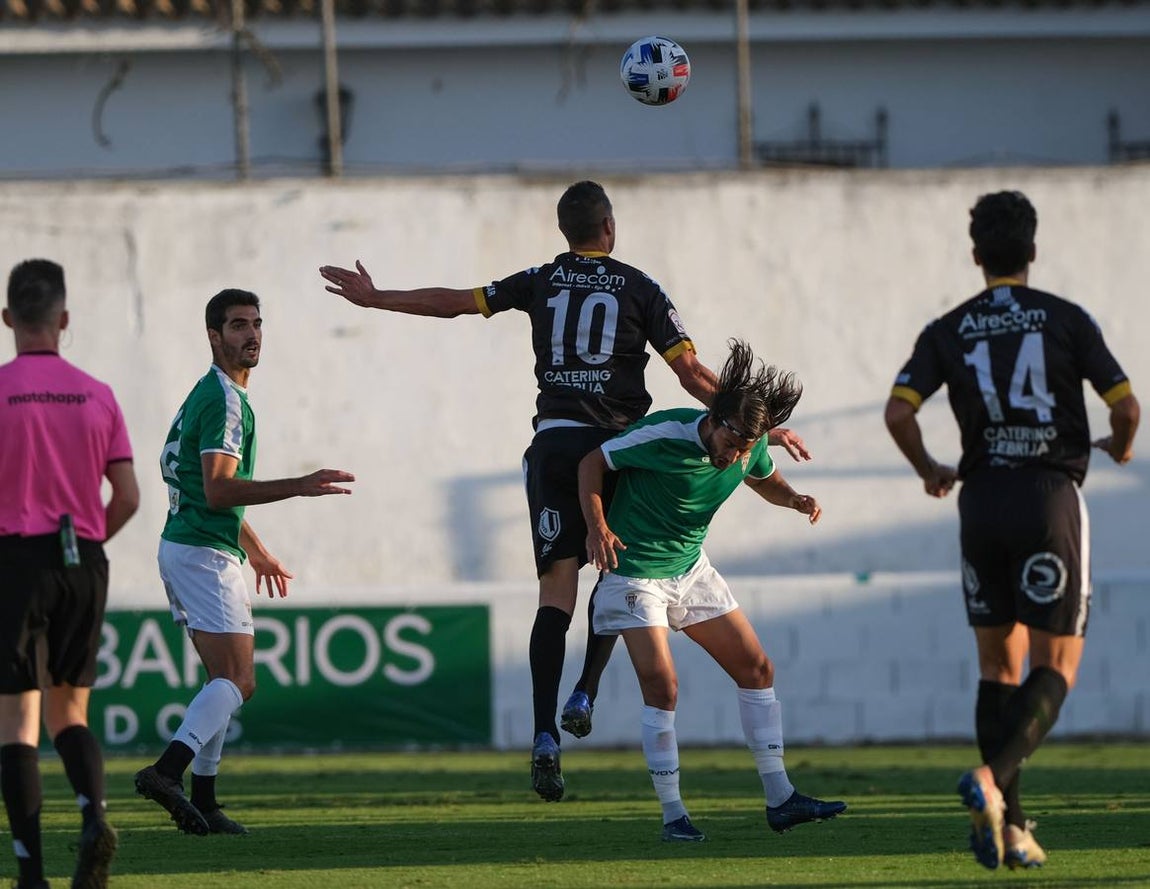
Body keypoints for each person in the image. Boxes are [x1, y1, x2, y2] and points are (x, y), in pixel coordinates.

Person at [320, 181, 811, 801]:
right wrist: (749, 420)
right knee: (628, 566)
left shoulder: (540, 279)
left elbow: (458, 303)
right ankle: (589, 688)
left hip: (556, 446)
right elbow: (689, 373)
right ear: (609, 227)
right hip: (620, 448)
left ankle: (545, 733)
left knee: (558, 587)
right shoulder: (640, 286)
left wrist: (377, 297)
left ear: (565, 232)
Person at [884, 191, 1139, 870]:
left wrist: (930, 469)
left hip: (982, 499)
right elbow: (1128, 406)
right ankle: (993, 779)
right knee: (1057, 665)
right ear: (1032, 251)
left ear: (976, 256)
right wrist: (1119, 443)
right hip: (1048, 498)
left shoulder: (950, 327)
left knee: (998, 666)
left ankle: (1015, 826)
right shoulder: (1066, 319)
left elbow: (899, 411)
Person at [579, 339, 846, 841]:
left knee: (757, 668)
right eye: (733, 443)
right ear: (715, 418)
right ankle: (673, 815)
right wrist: (596, 526)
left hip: (690, 569)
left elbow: (763, 479)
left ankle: (781, 798)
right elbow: (592, 462)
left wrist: (793, 499)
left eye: (747, 446)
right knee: (664, 687)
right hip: (635, 570)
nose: (737, 454)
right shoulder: (667, 434)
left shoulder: (751, 444)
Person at [134, 288, 355, 835]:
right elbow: (218, 490)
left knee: (221, 681)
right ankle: (167, 772)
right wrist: (299, 486)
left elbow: (200, 486)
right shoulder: (225, 399)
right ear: (214, 336)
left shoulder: (208, 395)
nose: (251, 334)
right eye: (237, 325)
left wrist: (256, 551)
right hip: (202, 551)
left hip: (192, 545)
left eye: (256, 323)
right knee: (240, 680)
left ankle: (205, 800)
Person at [0, 259, 140, 889]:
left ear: (8, 320)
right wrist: (84, 546)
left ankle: (30, 872)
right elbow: (129, 496)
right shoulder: (98, 393)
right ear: (64, 319)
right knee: (71, 712)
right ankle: (93, 814)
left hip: (15, 561)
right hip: (83, 559)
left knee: (16, 722)